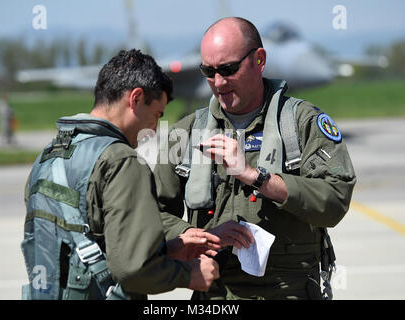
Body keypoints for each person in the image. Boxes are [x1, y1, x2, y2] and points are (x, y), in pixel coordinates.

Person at [153, 17, 356, 300]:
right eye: (208, 71)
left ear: (259, 60)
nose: (218, 82)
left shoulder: (302, 124)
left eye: (228, 69)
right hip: (215, 296)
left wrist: (256, 177)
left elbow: (335, 199)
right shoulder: (186, 133)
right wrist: (200, 237)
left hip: (291, 291)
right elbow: (150, 216)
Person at [21, 49, 220, 300]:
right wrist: (188, 275)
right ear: (136, 99)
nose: (154, 128)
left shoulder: (48, 157)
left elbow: (79, 243)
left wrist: (166, 249)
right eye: (157, 114)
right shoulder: (122, 162)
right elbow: (133, 269)